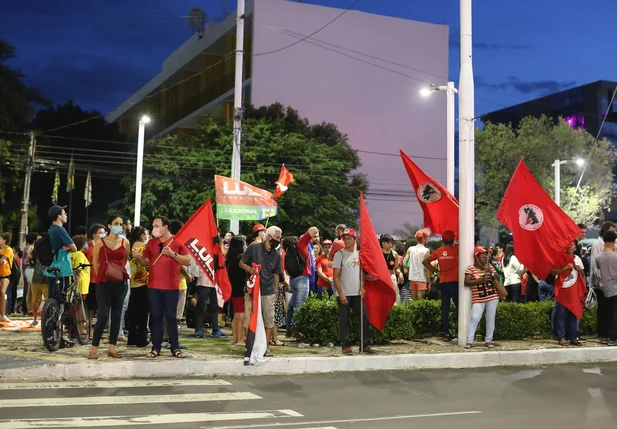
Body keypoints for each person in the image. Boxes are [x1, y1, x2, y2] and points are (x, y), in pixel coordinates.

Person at [132, 216, 191, 359]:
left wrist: (173, 254)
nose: (154, 228)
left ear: (165, 227)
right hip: (153, 286)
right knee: (156, 317)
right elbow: (146, 262)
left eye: (157, 226)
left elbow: (188, 261)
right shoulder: (151, 243)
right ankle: (155, 347)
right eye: (153, 226)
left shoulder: (177, 241)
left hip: (171, 286)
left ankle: (174, 347)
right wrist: (138, 257)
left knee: (171, 316)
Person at [239, 225, 283, 357]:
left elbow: (276, 274)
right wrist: (250, 270)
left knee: (268, 320)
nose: (278, 240)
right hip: (252, 290)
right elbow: (241, 263)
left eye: (280, 238)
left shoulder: (276, 255)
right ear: (269, 237)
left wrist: (276, 291)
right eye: (277, 238)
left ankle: (265, 348)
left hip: (268, 290)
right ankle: (250, 347)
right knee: (249, 319)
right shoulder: (253, 248)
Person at [89, 215, 129, 359]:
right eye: (116, 223)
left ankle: (112, 347)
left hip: (120, 282)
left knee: (117, 315)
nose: (119, 225)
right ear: (109, 226)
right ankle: (94, 348)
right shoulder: (100, 242)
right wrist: (103, 273)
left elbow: (124, 261)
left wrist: (116, 272)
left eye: (121, 223)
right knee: (103, 315)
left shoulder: (125, 242)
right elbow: (95, 262)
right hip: (104, 282)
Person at [332, 228, 374, 355]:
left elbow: (361, 273)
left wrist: (362, 286)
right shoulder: (339, 254)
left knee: (364, 319)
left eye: (349, 238)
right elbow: (335, 276)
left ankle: (365, 344)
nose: (346, 240)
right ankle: (345, 346)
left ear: (355, 239)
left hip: (357, 293)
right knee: (344, 321)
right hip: (344, 294)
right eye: (344, 238)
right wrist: (341, 293)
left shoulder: (359, 254)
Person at [44, 205, 77, 346]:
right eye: (64, 213)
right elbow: (74, 247)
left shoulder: (50, 230)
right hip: (62, 269)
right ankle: (58, 336)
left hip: (51, 269)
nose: (66, 215)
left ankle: (49, 336)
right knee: (61, 303)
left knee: (53, 300)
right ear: (58, 216)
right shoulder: (60, 229)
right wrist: (68, 247)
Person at [464, 247, 503, 349]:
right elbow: (466, 282)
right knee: (475, 318)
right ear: (477, 257)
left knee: (490, 319)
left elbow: (498, 278)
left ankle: (488, 340)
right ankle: (469, 341)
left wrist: (490, 271)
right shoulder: (471, 268)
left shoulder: (489, 266)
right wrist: (481, 280)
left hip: (492, 296)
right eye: (483, 256)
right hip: (478, 298)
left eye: (486, 256)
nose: (486, 258)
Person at [423, 230, 459, 341]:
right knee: (460, 308)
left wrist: (436, 271)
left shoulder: (438, 251)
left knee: (445, 309)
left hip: (443, 282)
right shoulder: (457, 249)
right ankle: (460, 331)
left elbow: (425, 262)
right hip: (455, 282)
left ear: (442, 240)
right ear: (452, 240)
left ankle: (446, 334)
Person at [551, 241, 586, 347]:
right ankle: (562, 337)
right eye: (570, 245)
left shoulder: (578, 259)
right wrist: (565, 268)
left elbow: (583, 274)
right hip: (563, 290)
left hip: (574, 291)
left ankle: (573, 337)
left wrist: (580, 270)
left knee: (573, 314)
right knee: (561, 314)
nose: (572, 246)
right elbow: (553, 272)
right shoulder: (560, 258)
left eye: (573, 245)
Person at [591, 221, 616, 342]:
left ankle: (605, 335)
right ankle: (609, 335)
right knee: (610, 312)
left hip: (605, 285)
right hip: (610, 285)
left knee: (606, 311)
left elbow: (598, 268)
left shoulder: (600, 255)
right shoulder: (613, 255)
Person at [127, 226, 150, 347]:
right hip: (144, 282)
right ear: (142, 236)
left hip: (133, 282)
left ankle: (132, 337)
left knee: (133, 312)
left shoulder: (130, 248)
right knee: (143, 313)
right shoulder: (145, 248)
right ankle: (142, 338)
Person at [226, 236, 247, 345]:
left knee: (236, 314)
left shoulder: (229, 259)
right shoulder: (241, 258)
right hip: (241, 289)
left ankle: (235, 339)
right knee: (241, 314)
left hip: (233, 289)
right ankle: (240, 340)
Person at [404, 229, 430, 301]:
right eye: (426, 237)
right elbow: (426, 268)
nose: (427, 239)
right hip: (422, 278)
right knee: (420, 302)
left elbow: (404, 263)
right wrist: (429, 282)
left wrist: (410, 269)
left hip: (412, 277)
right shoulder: (426, 251)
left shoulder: (410, 249)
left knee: (414, 302)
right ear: (423, 238)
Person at [0, 232, 14, 323]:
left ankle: (3, 315)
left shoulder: (8, 249)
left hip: (6, 274)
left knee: (2, 292)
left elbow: (2, 261)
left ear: (4, 241)